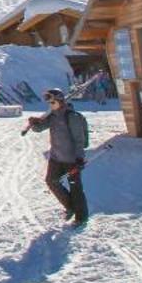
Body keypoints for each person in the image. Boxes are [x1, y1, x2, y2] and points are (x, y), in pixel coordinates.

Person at [24, 87, 90, 224]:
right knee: (51, 181)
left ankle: (81, 217)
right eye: (49, 103)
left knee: (75, 188)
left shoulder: (72, 117)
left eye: (53, 103)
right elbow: (39, 129)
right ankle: (70, 207)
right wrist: (34, 123)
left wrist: (79, 158)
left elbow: (79, 140)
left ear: (60, 101)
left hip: (71, 159)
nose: (50, 105)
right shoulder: (53, 116)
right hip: (56, 157)